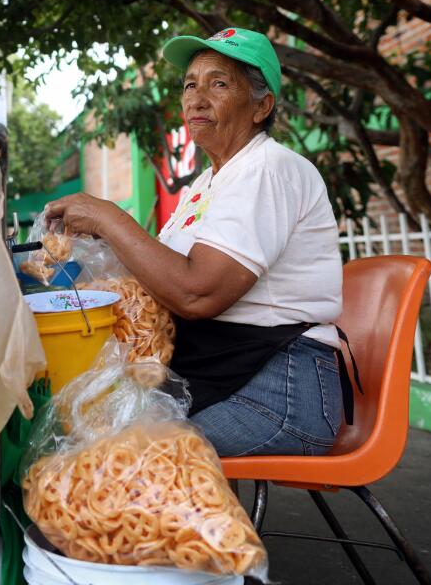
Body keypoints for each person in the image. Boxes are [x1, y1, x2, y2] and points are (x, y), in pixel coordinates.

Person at [46, 27, 350, 458]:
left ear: (261, 106)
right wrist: (91, 243)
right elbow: (162, 277)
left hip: (280, 392)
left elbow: (195, 292)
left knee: (114, 461)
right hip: (227, 374)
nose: (196, 98)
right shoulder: (207, 183)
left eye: (219, 83)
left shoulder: (267, 168)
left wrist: (108, 217)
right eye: (190, 84)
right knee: (79, 426)